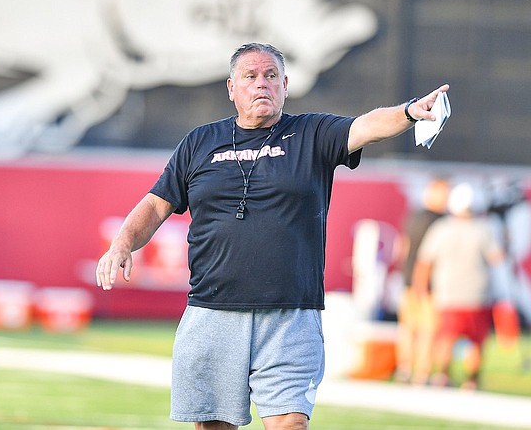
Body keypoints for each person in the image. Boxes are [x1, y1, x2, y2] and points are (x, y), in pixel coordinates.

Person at [96, 42, 449, 430]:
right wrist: (123, 242)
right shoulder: (200, 142)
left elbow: (367, 126)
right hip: (213, 313)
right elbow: (156, 203)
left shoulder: (312, 133)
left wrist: (410, 111)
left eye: (270, 77)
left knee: (290, 424)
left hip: (291, 315)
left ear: (285, 85)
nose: (261, 84)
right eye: (250, 76)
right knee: (213, 427)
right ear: (232, 87)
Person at [413, 182, 506, 390]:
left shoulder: (441, 229)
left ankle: (442, 376)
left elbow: (425, 261)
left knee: (446, 337)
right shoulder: (484, 230)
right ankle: (471, 380)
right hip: (477, 294)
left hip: (447, 294)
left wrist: (421, 288)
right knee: (476, 341)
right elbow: (498, 259)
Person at [393, 177, 450, 385]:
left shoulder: (414, 216)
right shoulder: (439, 220)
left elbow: (403, 247)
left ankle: (406, 369)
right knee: (425, 330)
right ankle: (420, 372)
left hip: (410, 280)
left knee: (410, 328)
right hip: (427, 283)